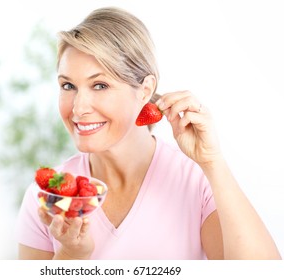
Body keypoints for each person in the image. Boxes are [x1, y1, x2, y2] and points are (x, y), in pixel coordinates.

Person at [16, 6, 281, 260]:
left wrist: (212, 162)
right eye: (68, 85)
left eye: (99, 85)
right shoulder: (48, 197)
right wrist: (71, 256)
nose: (78, 107)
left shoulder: (197, 182)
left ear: (145, 90)